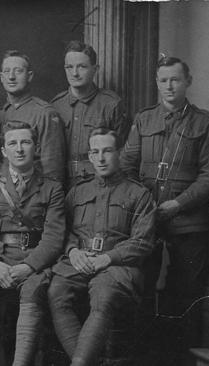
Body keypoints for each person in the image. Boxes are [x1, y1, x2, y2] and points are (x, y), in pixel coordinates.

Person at [120, 56, 209, 361]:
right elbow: (127, 166)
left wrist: (178, 204)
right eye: (163, 80)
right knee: (140, 289)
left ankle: (180, 359)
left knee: (185, 295)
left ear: (188, 81)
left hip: (189, 223)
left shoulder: (204, 122)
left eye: (175, 79)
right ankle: (144, 357)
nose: (169, 86)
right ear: (156, 82)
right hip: (148, 220)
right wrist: (145, 205)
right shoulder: (144, 119)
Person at [48, 128, 156, 366]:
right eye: (95, 152)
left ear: (118, 153)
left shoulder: (139, 194)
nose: (101, 158)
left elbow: (142, 242)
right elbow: (62, 231)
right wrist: (73, 251)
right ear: (89, 155)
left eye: (107, 151)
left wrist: (107, 259)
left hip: (118, 266)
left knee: (103, 296)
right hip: (79, 260)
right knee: (56, 293)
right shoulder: (77, 191)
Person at [0, 121, 65, 366]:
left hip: (33, 258)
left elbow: (54, 238)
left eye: (25, 142)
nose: (19, 149)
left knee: (32, 290)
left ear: (36, 147)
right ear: (3, 151)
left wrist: (29, 267)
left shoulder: (52, 189)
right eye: (12, 143)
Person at [51, 41, 129, 188]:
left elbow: (123, 154)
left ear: (95, 69)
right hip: (62, 185)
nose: (74, 73)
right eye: (69, 67)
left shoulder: (111, 104)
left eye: (82, 67)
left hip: (98, 184)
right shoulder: (56, 105)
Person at [0, 50, 65, 182]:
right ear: (1, 77)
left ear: (30, 76)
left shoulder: (44, 113)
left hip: (36, 192)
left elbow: (53, 167)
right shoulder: (1, 115)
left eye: (18, 71)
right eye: (6, 71)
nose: (11, 77)